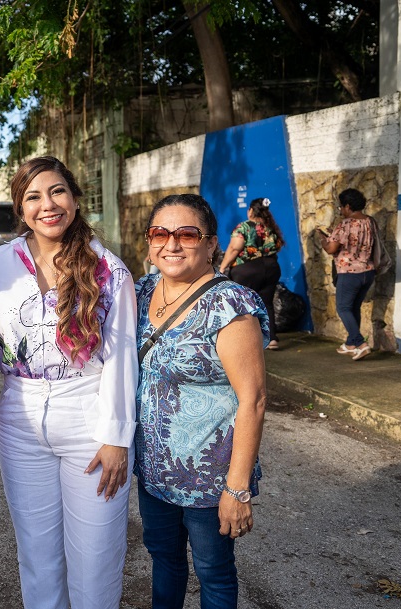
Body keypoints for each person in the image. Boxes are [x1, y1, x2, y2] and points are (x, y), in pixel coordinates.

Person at [0, 156, 137, 609]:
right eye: (33, 197)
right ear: (20, 208)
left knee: (95, 559)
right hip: (20, 421)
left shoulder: (109, 269)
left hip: (89, 419)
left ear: (74, 198)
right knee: (37, 557)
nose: (47, 205)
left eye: (57, 192)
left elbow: (123, 357)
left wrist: (115, 439)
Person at [135, 193, 269, 609]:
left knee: (213, 572)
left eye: (187, 234)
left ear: (211, 244)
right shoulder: (141, 291)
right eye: (160, 232)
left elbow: (254, 400)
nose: (171, 244)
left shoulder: (230, 305)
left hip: (210, 478)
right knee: (164, 560)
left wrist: (238, 488)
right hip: (154, 472)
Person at [315, 188, 377, 361]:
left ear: (348, 206)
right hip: (368, 272)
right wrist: (333, 234)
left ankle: (360, 343)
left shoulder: (346, 224)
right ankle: (350, 344)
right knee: (353, 307)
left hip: (350, 273)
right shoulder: (370, 221)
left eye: (341, 207)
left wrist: (322, 238)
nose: (341, 211)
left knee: (343, 308)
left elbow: (331, 248)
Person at [218, 197, 284, 349]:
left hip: (247, 269)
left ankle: (244, 339)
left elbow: (235, 247)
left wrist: (223, 267)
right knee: (267, 303)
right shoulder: (270, 228)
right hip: (271, 267)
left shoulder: (244, 227)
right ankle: (271, 339)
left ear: (251, 211)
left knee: (242, 303)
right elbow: (278, 246)